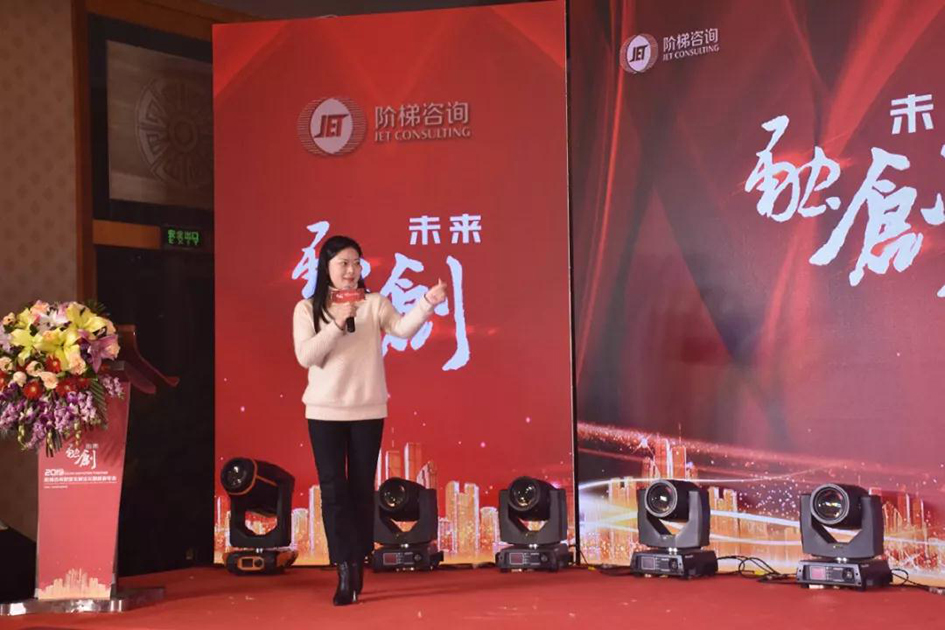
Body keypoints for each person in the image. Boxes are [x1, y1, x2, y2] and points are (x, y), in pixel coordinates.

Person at [292, 235, 447, 606]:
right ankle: (344, 567)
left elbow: (402, 329)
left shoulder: (374, 302)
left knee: (361, 489)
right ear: (327, 267)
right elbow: (307, 356)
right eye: (343, 263)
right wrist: (337, 323)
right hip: (324, 412)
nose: (351, 271)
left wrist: (427, 302)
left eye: (356, 263)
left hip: (367, 410)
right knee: (333, 490)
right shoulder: (307, 309)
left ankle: (358, 556)